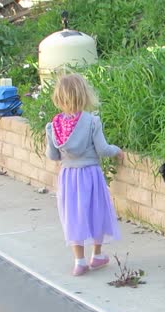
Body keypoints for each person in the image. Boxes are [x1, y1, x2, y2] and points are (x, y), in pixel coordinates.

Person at [45, 73, 124, 276]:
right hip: (90, 174)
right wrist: (117, 151)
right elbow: (103, 149)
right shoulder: (91, 122)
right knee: (96, 211)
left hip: (68, 176)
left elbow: (52, 155)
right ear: (84, 95)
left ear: (59, 98)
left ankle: (79, 261)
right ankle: (97, 255)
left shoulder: (54, 126)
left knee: (74, 216)